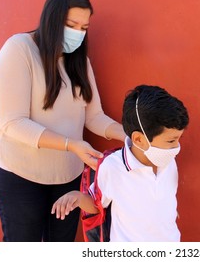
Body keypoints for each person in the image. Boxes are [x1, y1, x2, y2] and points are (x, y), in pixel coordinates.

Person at [0, 0, 126, 242]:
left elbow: (94, 117)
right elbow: (12, 122)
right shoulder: (19, 49)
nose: (77, 34)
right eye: (71, 24)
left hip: (67, 176)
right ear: (52, 18)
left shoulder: (80, 63)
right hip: (20, 175)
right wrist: (70, 144)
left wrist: (130, 136)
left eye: (83, 28)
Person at [51, 85, 190, 242]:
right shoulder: (112, 167)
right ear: (138, 139)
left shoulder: (168, 160)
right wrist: (77, 197)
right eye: (171, 141)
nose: (176, 147)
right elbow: (97, 205)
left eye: (179, 139)